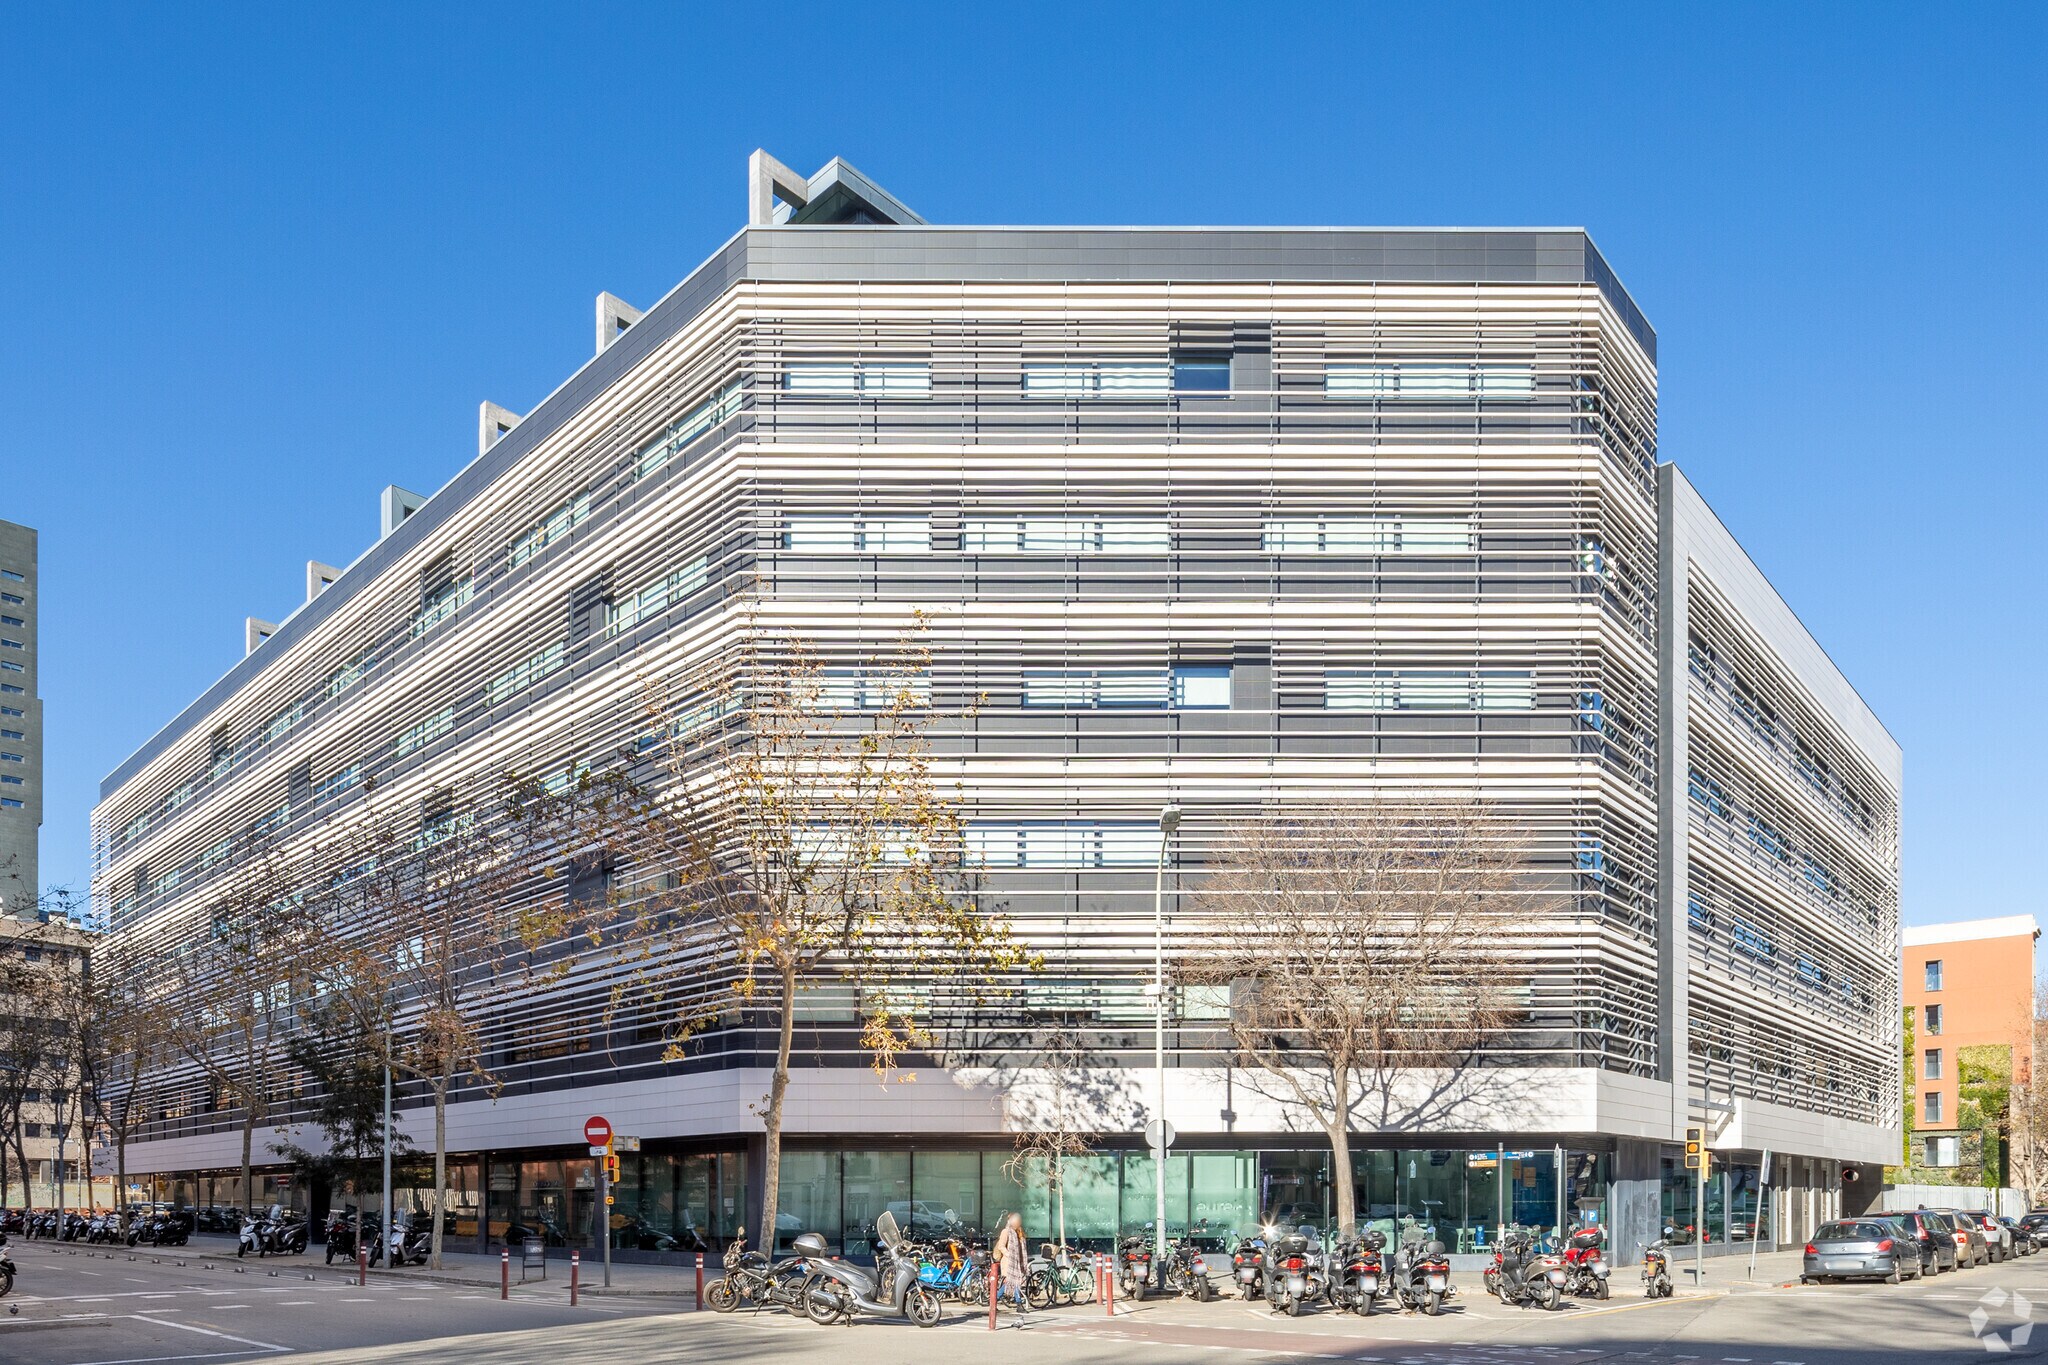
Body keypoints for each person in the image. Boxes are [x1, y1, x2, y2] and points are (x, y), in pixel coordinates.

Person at [992, 1211, 1028, 1318]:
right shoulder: (1006, 1231)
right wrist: (1009, 1255)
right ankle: (1019, 1305)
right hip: (1009, 1263)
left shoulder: (1019, 1232)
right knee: (1015, 1282)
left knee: (1009, 1284)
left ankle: (994, 1301)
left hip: (1017, 1263)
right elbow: (1001, 1246)